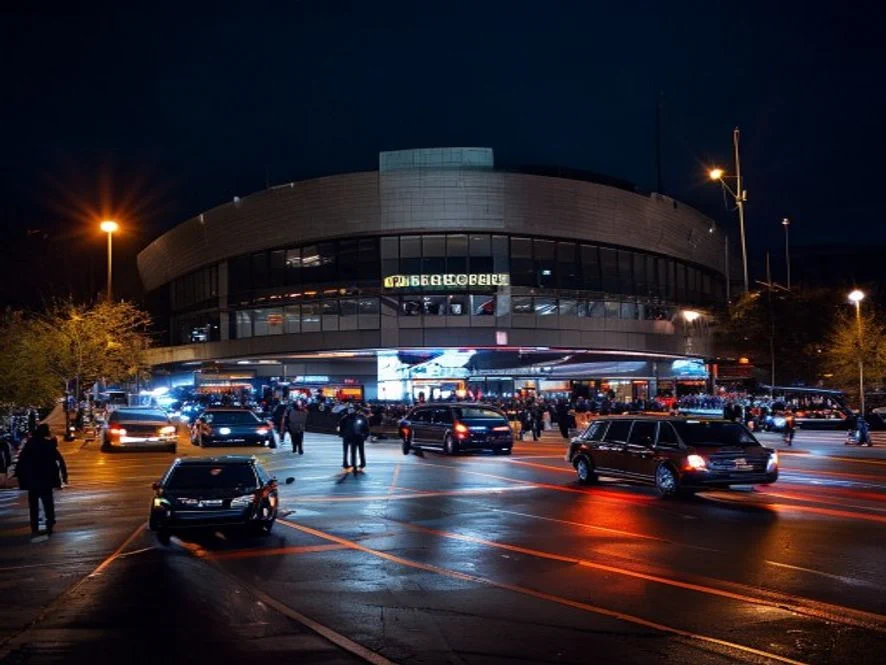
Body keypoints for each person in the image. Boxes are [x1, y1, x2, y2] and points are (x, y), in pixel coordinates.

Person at [14, 424, 68, 536]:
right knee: (48, 503)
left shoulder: (30, 444)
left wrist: (21, 478)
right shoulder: (49, 445)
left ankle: (35, 527)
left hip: (33, 479)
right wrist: (63, 477)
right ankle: (49, 523)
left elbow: (21, 463)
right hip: (46, 479)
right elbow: (60, 462)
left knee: (33, 505)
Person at [337, 405, 370, 471]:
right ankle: (361, 463)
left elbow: (340, 426)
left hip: (347, 436)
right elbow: (366, 428)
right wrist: (365, 435)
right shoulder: (362, 418)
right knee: (359, 450)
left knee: (347, 450)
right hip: (358, 436)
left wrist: (341, 434)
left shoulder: (345, 418)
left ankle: (347, 463)